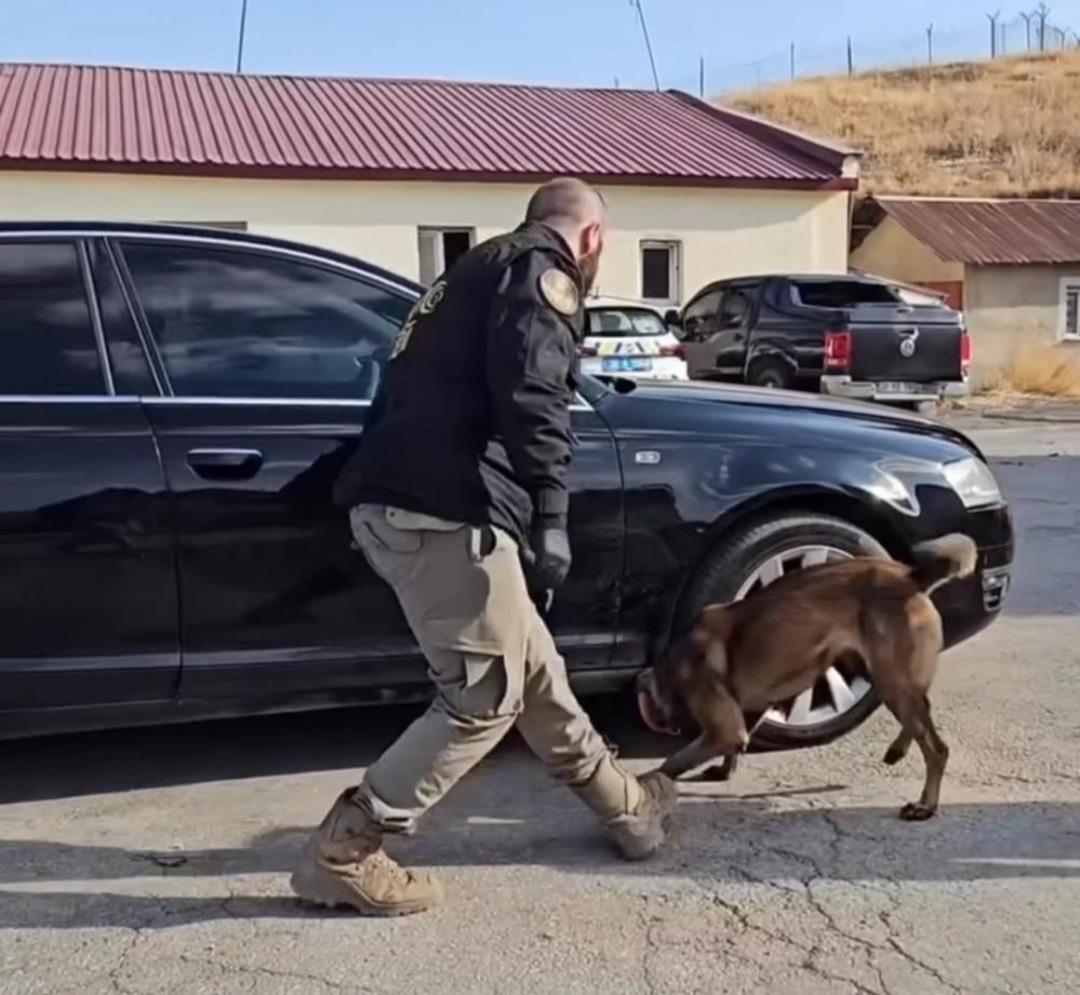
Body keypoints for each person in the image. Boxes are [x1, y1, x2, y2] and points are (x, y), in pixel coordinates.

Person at [290, 178, 677, 917]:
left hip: (416, 499)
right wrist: (552, 517)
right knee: (480, 699)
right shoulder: (542, 275)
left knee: (534, 675)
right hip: (443, 514)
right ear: (591, 238)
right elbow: (536, 398)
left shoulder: (472, 269)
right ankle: (345, 850)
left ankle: (629, 810)